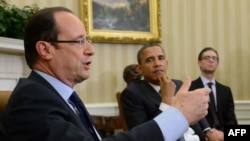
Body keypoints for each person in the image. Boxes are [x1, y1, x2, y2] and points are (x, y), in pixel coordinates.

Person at [0, 7, 211, 141]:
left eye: (88, 40)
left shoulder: (62, 96)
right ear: (45, 50)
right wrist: (178, 116)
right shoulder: (31, 99)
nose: (90, 49)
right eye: (79, 41)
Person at [120, 43, 200, 141]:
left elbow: (194, 116)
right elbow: (143, 136)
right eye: (150, 60)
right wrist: (166, 99)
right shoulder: (132, 94)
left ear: (166, 64)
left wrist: (207, 132)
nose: (157, 64)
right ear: (139, 69)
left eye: (161, 58)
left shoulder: (178, 84)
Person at [190, 47, 238, 140]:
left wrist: (222, 135)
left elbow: (232, 120)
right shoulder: (191, 88)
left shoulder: (226, 90)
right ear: (199, 63)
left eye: (214, 58)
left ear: (217, 64)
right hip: (201, 137)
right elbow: (190, 120)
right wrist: (207, 134)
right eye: (207, 58)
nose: (211, 60)